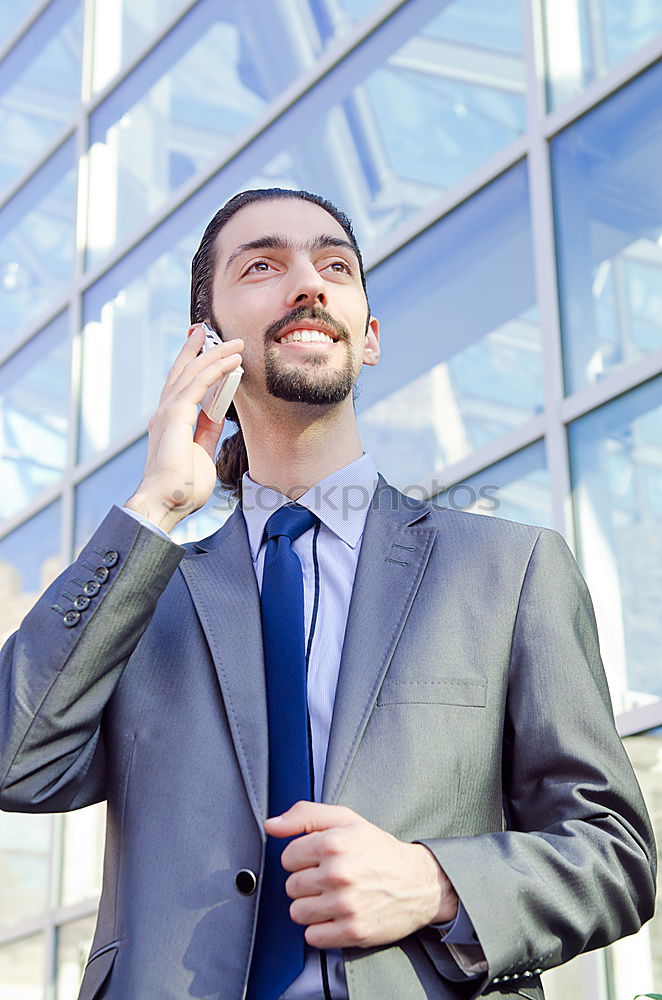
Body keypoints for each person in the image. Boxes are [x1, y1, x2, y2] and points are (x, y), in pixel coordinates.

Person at [0, 188, 655, 1000]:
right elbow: (15, 762)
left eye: (334, 265)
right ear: (205, 345)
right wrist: (157, 505)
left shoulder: (507, 571)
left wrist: (435, 882)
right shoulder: (145, 590)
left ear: (370, 337)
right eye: (264, 264)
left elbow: (616, 854)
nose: (307, 282)